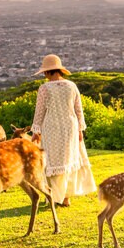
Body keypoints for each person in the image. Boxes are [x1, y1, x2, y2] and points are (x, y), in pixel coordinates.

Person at [31, 54, 96, 206]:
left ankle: (54, 196)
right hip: (70, 127)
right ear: (60, 70)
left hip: (52, 127)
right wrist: (80, 129)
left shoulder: (44, 88)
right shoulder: (71, 86)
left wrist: (36, 131)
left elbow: (40, 112)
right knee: (69, 159)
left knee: (52, 161)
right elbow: (78, 109)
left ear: (48, 72)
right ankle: (66, 198)